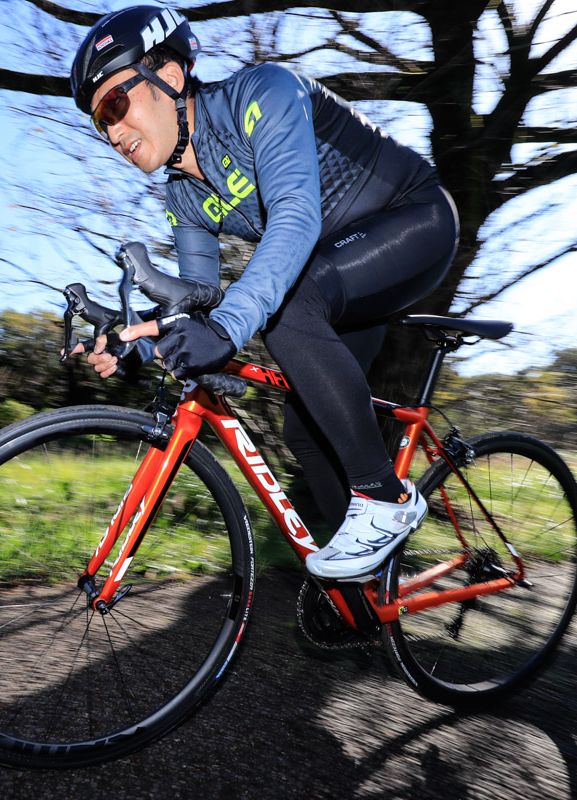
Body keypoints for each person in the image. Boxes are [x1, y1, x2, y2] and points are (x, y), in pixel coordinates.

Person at [68, 6, 458, 581]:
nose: (112, 133)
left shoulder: (262, 94)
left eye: (114, 106)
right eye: (99, 123)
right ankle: (376, 588)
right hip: (336, 271)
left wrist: (226, 330)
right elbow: (199, 295)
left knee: (287, 310)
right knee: (307, 426)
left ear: (169, 78)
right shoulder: (183, 197)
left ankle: (385, 499)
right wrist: (134, 338)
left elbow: (296, 219)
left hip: (414, 219)